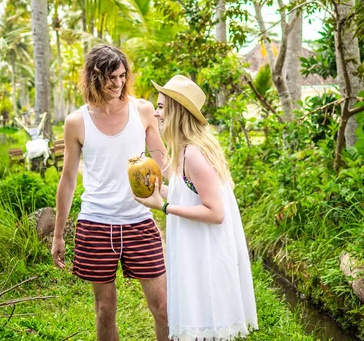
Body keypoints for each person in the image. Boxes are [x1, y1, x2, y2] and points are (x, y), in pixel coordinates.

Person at [51, 45, 168, 341]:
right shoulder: (76, 122)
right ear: (93, 78)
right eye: (110, 78)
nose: (117, 84)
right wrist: (58, 234)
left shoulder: (142, 110)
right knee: (105, 309)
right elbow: (67, 180)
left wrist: (196, 183)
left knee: (164, 306)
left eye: (121, 76)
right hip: (96, 223)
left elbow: (163, 161)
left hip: (139, 220)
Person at [134, 75, 258, 341]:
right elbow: (187, 194)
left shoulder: (194, 154)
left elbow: (215, 212)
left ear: (177, 111)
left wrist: (164, 207)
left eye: (161, 107)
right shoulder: (184, 150)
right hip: (196, 247)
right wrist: (156, 192)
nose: (156, 113)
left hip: (206, 252)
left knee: (206, 320)